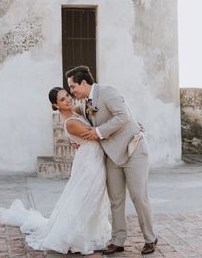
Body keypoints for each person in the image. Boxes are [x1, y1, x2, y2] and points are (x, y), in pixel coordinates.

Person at [0, 87, 111, 255]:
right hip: (89, 162)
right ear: (55, 105)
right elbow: (96, 134)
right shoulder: (70, 122)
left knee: (93, 196)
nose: (68, 99)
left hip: (93, 157)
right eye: (62, 99)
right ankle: (76, 235)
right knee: (86, 196)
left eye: (67, 95)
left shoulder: (76, 113)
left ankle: (92, 232)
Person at [66, 65, 158, 255]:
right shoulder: (83, 104)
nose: (71, 91)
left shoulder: (107, 92)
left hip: (133, 150)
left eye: (73, 86)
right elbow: (71, 116)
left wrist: (98, 132)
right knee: (116, 200)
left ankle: (150, 238)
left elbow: (124, 116)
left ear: (84, 83)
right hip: (111, 155)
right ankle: (118, 240)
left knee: (139, 197)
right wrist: (75, 139)